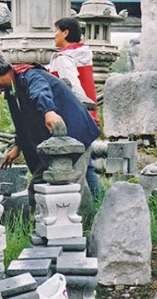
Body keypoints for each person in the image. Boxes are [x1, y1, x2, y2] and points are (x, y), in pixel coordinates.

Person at [0, 50, 101, 218]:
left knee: (70, 183)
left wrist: (49, 111)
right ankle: (41, 225)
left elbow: (40, 91)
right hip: (52, 143)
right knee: (39, 184)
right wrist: (17, 146)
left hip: (74, 136)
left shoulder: (29, 75)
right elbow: (23, 120)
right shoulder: (13, 87)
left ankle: (76, 229)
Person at [48, 17, 102, 200]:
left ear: (65, 32)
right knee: (87, 163)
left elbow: (73, 88)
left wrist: (80, 111)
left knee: (79, 164)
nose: (54, 35)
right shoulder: (82, 54)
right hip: (86, 114)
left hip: (72, 116)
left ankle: (82, 205)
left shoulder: (64, 58)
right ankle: (98, 202)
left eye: (56, 31)